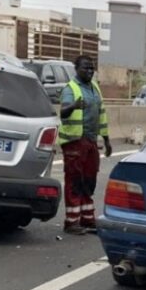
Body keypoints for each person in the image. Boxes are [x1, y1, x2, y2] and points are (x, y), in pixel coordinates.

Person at [58, 55, 112, 235]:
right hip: (75, 142)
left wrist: (106, 139)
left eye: (92, 68)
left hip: (90, 141)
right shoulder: (70, 89)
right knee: (75, 180)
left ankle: (87, 219)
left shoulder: (95, 88)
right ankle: (71, 222)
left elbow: (102, 114)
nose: (89, 71)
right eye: (85, 68)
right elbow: (63, 113)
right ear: (76, 69)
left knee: (89, 180)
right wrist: (73, 105)